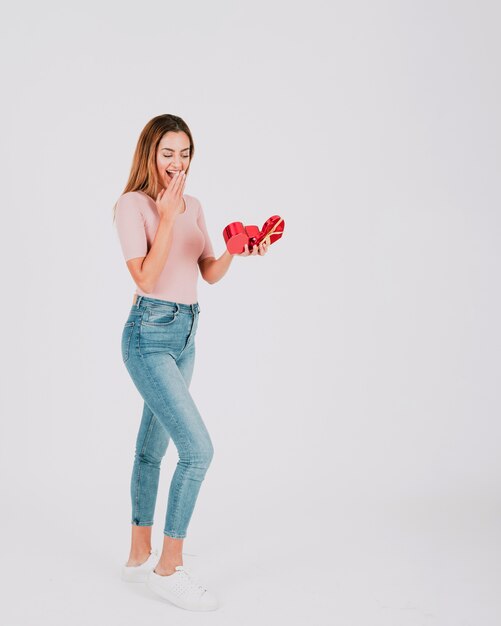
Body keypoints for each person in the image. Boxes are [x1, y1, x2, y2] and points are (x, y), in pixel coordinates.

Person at [112, 114, 268, 611]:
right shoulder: (133, 206)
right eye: (167, 154)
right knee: (197, 450)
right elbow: (146, 277)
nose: (177, 164)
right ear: (149, 155)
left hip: (186, 334)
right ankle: (168, 568)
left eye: (184, 154)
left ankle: (139, 556)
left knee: (152, 446)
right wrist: (167, 214)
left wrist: (237, 251)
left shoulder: (193, 205)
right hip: (148, 334)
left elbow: (206, 271)